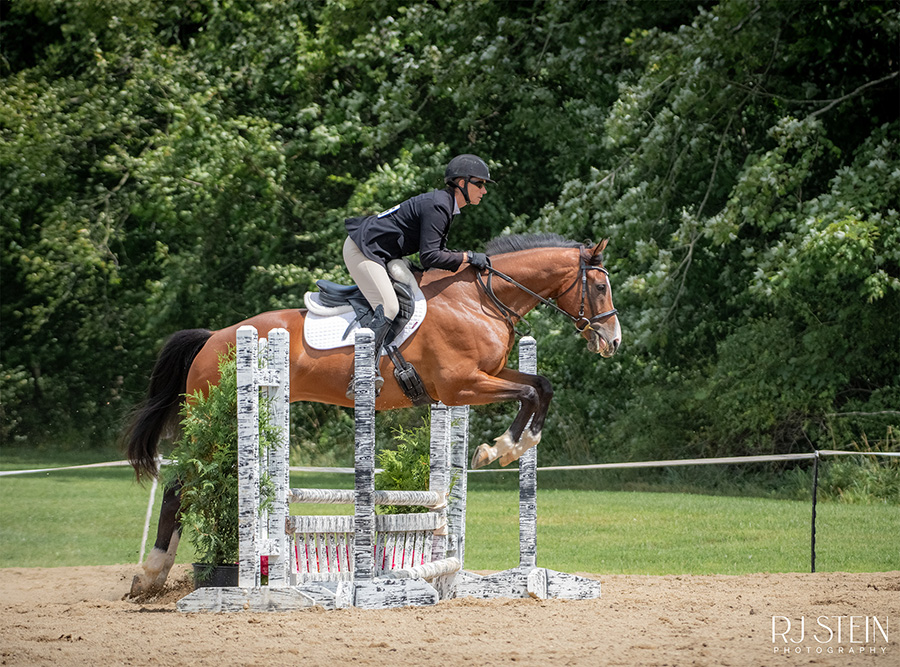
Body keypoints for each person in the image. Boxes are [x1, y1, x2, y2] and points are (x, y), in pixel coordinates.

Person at [342, 153, 494, 392]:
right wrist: (468, 257)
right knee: (390, 307)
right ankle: (361, 372)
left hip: (384, 254)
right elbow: (430, 256)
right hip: (362, 250)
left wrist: (465, 258)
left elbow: (435, 254)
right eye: (480, 184)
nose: (483, 191)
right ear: (461, 183)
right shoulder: (439, 205)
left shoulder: (444, 205)